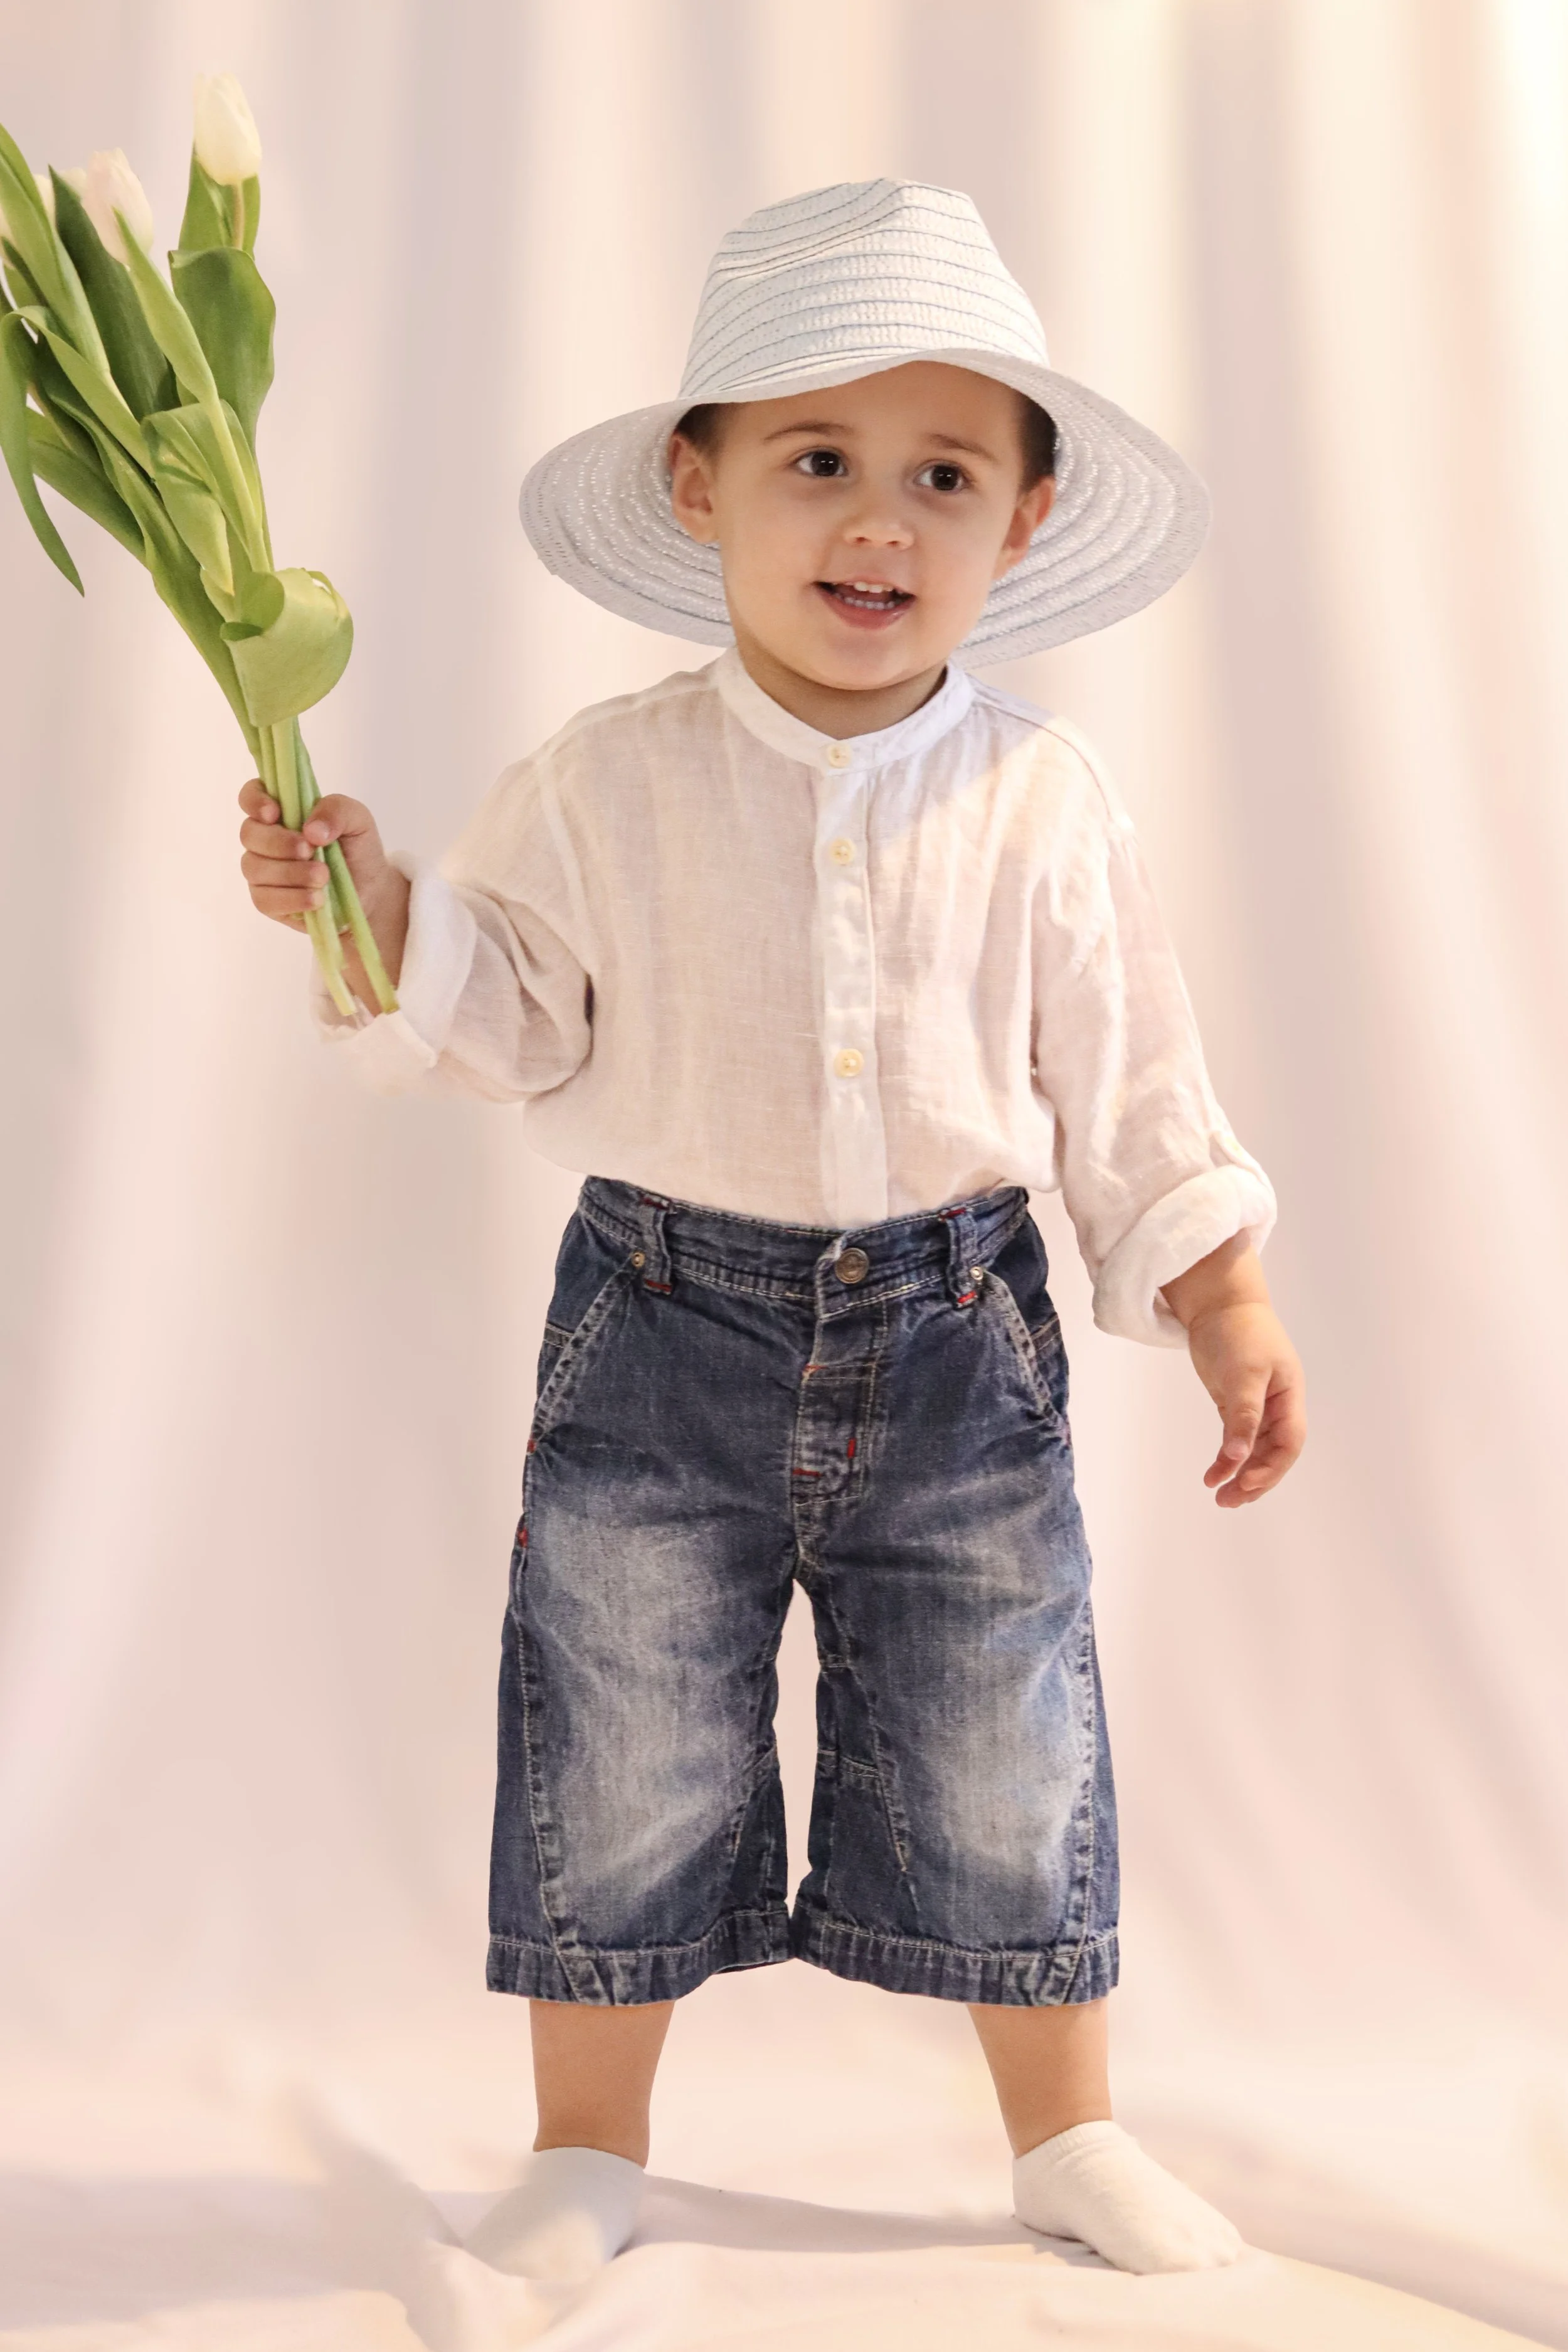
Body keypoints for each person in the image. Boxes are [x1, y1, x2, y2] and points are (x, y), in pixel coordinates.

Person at [236, 181, 1305, 2282]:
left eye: (940, 476)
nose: (877, 524)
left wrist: (1223, 1285)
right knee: (617, 1724)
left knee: (1011, 1724)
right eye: (817, 462)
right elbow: (505, 1003)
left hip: (958, 1333)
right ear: (698, 485)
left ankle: (1063, 2128)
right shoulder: (604, 780)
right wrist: (373, 907)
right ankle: (585, 2147)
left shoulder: (1038, 797)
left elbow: (1131, 1076)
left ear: (1020, 516)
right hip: (659, 1316)